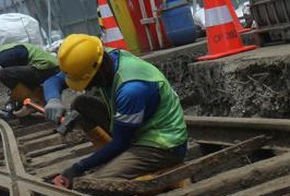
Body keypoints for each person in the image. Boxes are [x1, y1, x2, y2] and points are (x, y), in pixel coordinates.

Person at [45, 34, 188, 188]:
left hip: (162, 146)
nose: (87, 87)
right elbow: (53, 81)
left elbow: (121, 143)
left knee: (93, 186)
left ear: (97, 70)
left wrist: (77, 168)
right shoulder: (102, 57)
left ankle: (160, 179)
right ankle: (116, 162)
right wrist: (53, 99)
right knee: (82, 103)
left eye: (87, 82)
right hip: (135, 129)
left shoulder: (132, 90)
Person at [0, 40, 59, 105]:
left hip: (46, 68)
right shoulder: (4, 50)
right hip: (48, 66)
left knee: (4, 74)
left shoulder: (3, 59)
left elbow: (22, 77)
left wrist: (22, 94)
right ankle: (35, 98)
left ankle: (35, 100)